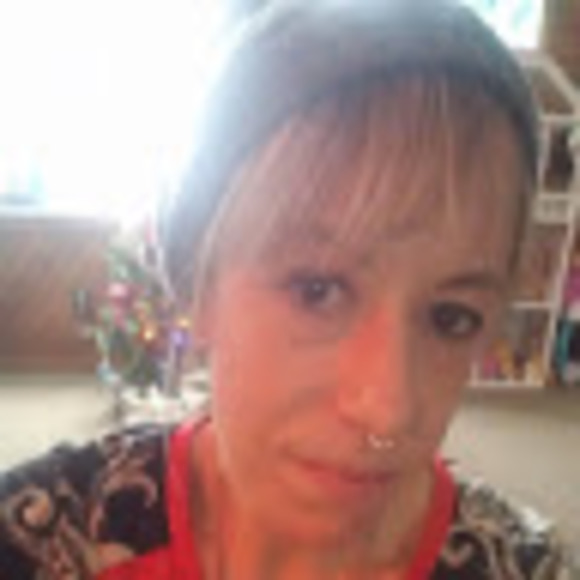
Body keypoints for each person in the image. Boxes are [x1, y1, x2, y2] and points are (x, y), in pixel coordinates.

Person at [0, 1, 572, 578]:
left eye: (451, 317)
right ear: (198, 283)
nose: (388, 412)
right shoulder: (40, 542)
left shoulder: (523, 568)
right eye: (316, 290)